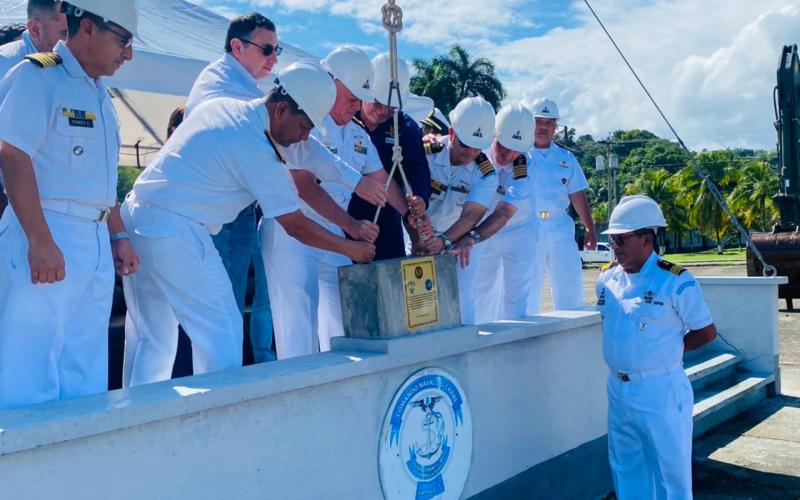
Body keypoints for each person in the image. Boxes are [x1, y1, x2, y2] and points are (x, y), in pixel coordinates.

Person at [120, 62, 375, 387]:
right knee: (222, 330)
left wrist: (354, 181)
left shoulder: (227, 108)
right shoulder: (256, 149)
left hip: (139, 217)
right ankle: (218, 412)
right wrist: (351, 248)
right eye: (304, 126)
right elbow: (295, 224)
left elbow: (310, 151)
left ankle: (137, 411)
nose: (304, 136)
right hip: (176, 230)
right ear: (281, 110)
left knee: (152, 338)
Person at [0, 0, 139, 409]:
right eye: (123, 40)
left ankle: (82, 444)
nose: (128, 54)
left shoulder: (100, 95)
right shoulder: (38, 75)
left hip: (93, 238)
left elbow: (101, 179)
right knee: (30, 365)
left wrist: (118, 236)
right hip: (47, 227)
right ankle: (25, 450)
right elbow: (12, 154)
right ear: (88, 28)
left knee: (85, 363)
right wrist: (39, 240)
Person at [263, 45, 425, 359]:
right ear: (330, 82)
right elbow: (304, 187)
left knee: (343, 326)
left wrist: (412, 214)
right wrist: (351, 226)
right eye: (351, 97)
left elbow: (382, 180)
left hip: (333, 238)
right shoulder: (306, 123)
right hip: (293, 237)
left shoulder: (358, 135)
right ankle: (301, 387)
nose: (355, 105)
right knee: (298, 331)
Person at [598, 195, 717, 499]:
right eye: (612, 240)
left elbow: (705, 331)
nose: (615, 246)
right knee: (626, 467)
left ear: (646, 239)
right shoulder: (607, 279)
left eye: (621, 239)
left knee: (670, 471)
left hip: (659, 389)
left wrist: (667, 353)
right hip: (618, 387)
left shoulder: (674, 281)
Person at [183, 12, 280, 365]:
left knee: (232, 304)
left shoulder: (245, 86)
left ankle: (230, 379)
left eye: (277, 50)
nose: (274, 59)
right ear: (237, 46)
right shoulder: (221, 84)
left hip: (237, 212)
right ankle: (217, 384)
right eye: (267, 49)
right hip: (212, 214)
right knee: (219, 308)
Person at [451, 104, 537, 323]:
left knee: (516, 295)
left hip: (518, 232)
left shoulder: (525, 171)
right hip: (483, 230)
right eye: (503, 146)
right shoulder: (478, 149)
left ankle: (517, 339)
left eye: (515, 150)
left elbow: (504, 213)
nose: (508, 155)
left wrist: (472, 236)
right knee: (482, 290)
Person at [418, 96, 497, 325]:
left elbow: (472, 215)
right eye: (465, 146)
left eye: (477, 149)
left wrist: (444, 241)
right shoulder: (426, 152)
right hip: (418, 232)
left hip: (459, 237)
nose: (470, 154)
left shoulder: (485, 173)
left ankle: (466, 339)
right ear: (451, 133)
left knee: (462, 295)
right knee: (419, 297)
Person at [349, 53, 432, 260]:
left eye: (391, 106)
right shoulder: (345, 116)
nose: (383, 110)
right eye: (378, 102)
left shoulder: (405, 128)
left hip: (386, 217)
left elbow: (418, 170)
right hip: (343, 215)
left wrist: (420, 199)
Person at [526, 98, 596, 314]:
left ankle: (572, 326)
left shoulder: (566, 157)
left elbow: (577, 194)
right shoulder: (519, 153)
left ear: (556, 127)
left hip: (559, 224)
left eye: (549, 123)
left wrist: (590, 228)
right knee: (526, 287)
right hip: (528, 224)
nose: (543, 127)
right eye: (539, 122)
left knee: (570, 284)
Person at [0, 1, 68, 218]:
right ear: (36, 29)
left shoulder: (67, 71)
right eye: (66, 34)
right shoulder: (5, 62)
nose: (73, 43)